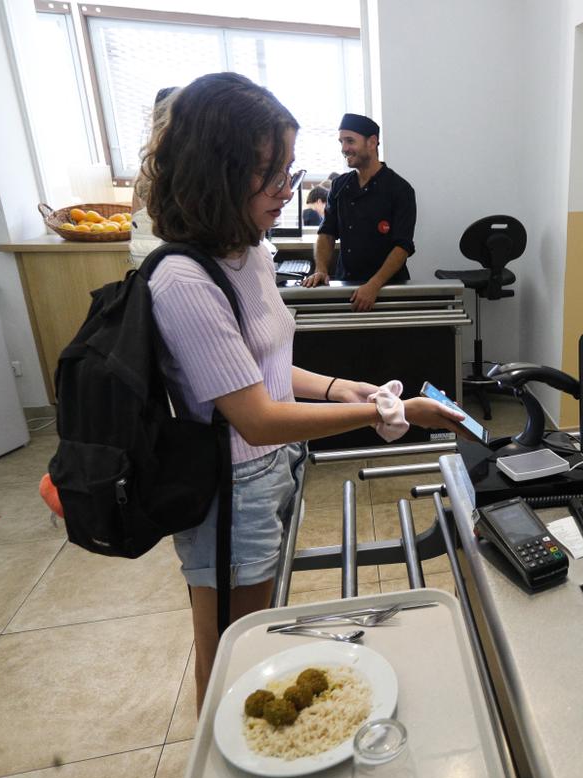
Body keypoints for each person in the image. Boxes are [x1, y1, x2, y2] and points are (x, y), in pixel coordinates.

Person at [139, 72, 467, 709]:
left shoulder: (249, 253)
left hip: (273, 472)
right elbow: (255, 416)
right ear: (219, 171)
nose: (288, 190)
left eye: (290, 170)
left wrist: (345, 388)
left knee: (256, 630)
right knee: (226, 645)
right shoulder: (183, 281)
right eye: (272, 173)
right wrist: (382, 411)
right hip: (229, 491)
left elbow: (263, 369)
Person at [300, 114, 416, 312]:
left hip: (388, 290)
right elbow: (327, 232)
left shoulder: (400, 189)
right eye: (341, 142)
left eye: (350, 141)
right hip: (347, 285)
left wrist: (374, 285)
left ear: (372, 142)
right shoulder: (339, 185)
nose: (344, 148)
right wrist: (321, 269)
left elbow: (402, 246)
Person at [128, 86, 178, 267]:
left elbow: (135, 217)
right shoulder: (184, 165)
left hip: (145, 261)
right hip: (171, 261)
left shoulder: (148, 165)